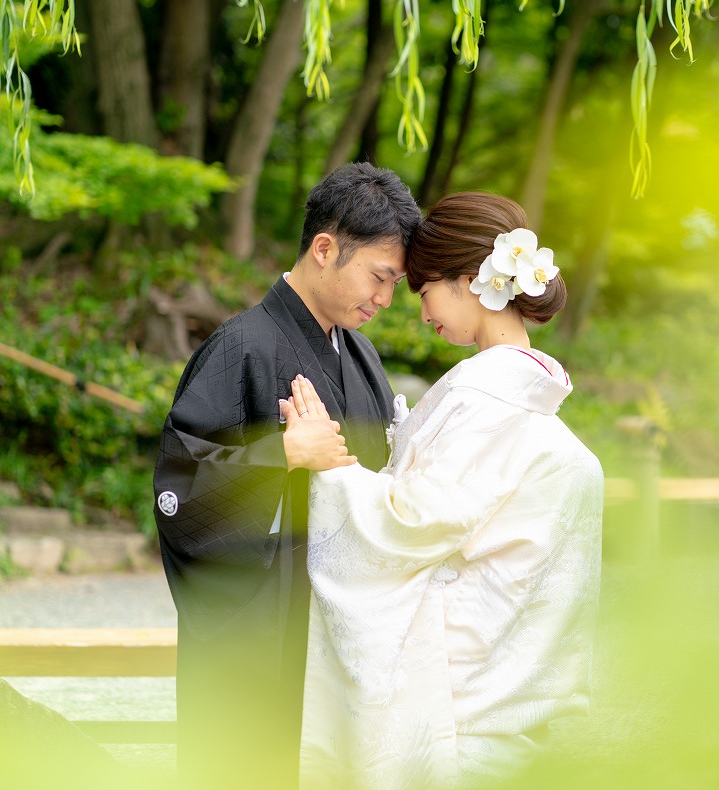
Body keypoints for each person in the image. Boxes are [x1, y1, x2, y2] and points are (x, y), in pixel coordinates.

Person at [283, 192, 604, 789]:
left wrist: (326, 466)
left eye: (424, 289)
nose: (420, 311)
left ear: (468, 281)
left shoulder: (486, 400)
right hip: (508, 686)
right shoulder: (525, 397)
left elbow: (411, 522)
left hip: (460, 706)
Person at [151, 162, 422, 789]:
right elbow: (179, 491)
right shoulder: (241, 347)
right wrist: (282, 453)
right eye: (380, 277)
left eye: (395, 284)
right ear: (324, 248)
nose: (385, 299)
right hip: (261, 640)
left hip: (340, 633)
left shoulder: (360, 353)